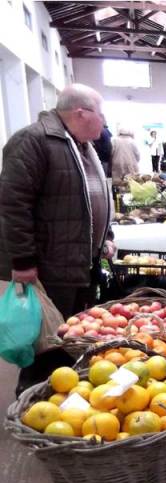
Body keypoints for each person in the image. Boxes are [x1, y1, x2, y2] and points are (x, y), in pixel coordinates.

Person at [0, 83, 115, 394]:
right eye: (101, 114)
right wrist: (22, 260)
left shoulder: (81, 145)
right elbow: (12, 204)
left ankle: (66, 399)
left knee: (74, 336)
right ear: (80, 113)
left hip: (79, 261)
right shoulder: (34, 140)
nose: (104, 121)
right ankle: (34, 402)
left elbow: (93, 198)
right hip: (51, 263)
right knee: (47, 342)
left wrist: (106, 235)